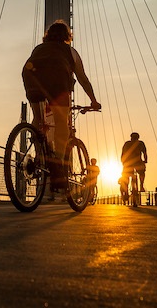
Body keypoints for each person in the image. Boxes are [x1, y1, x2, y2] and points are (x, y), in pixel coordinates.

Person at [21, 20, 100, 188]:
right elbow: (83, 79)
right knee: (61, 120)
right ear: (67, 36)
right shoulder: (70, 51)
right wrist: (93, 101)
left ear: (47, 35)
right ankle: (57, 161)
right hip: (57, 81)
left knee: (38, 117)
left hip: (31, 78)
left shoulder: (38, 49)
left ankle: (39, 153)